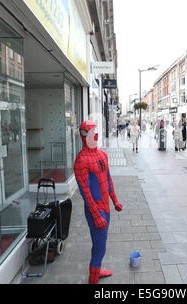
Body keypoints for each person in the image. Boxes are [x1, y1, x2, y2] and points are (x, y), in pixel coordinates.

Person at [74, 120, 123, 284]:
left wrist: (115, 201)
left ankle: (97, 270)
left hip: (106, 208)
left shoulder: (102, 154)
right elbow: (85, 193)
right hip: (96, 210)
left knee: (100, 244)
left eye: (96, 131)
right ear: (83, 136)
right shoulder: (81, 161)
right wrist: (96, 216)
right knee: (100, 247)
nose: (96, 134)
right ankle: (93, 278)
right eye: (91, 132)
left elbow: (108, 179)